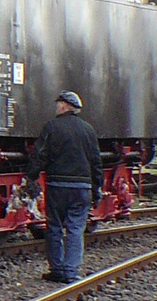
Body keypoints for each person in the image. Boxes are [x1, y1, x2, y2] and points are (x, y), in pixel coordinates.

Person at [23, 90, 102, 282]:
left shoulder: (51, 127)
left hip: (57, 185)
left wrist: (30, 177)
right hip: (82, 187)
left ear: (65, 106)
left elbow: (41, 155)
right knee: (75, 228)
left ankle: (57, 268)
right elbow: (96, 161)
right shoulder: (88, 130)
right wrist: (96, 187)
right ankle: (71, 270)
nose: (56, 107)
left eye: (58, 104)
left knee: (54, 227)